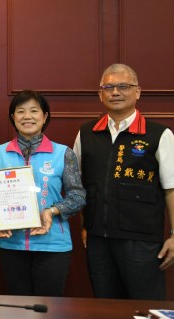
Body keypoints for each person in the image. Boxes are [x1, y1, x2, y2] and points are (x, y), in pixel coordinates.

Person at [74, 63, 174, 300]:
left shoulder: (159, 135)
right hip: (98, 240)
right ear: (100, 94)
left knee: (145, 308)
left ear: (137, 92)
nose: (115, 92)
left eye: (123, 86)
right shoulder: (86, 134)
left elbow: (171, 188)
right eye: (108, 87)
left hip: (142, 241)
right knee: (106, 306)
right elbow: (78, 186)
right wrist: (85, 227)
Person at [0, 90, 85, 296]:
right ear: (13, 117)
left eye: (34, 111)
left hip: (53, 244)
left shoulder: (63, 153)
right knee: (18, 307)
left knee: (49, 307)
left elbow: (77, 196)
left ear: (45, 116)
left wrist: (51, 211)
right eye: (21, 111)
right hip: (12, 244)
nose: (27, 116)